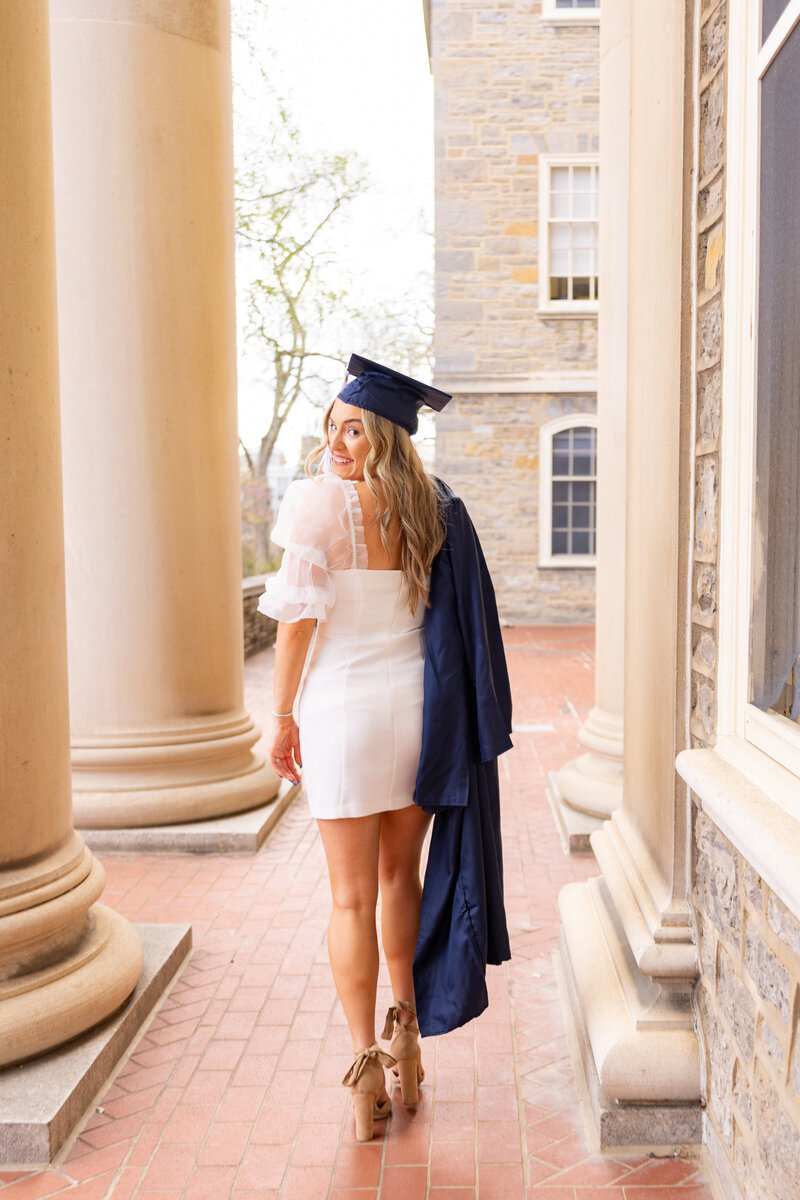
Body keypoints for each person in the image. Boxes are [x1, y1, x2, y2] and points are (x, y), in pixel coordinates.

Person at [258, 355, 511, 1143]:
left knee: (348, 898)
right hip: (417, 714)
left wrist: (282, 717)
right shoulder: (432, 509)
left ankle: (366, 1065)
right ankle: (408, 1036)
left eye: (354, 426)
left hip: (342, 714)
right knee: (402, 874)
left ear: (384, 434)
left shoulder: (317, 509)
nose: (337, 439)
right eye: (332, 425)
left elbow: (296, 624)